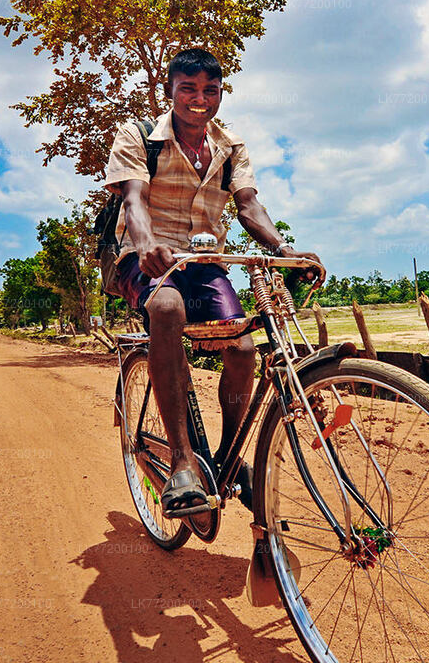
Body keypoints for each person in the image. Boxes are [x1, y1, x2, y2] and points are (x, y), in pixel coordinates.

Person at [104, 48, 320, 517]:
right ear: (170, 92)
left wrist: (285, 251)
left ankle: (223, 459)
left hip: (204, 263)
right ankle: (182, 462)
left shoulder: (231, 146)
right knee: (166, 310)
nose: (199, 99)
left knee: (243, 349)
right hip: (145, 257)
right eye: (188, 89)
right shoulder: (140, 136)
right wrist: (145, 248)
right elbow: (134, 200)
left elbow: (248, 207)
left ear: (220, 94)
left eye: (210, 90)